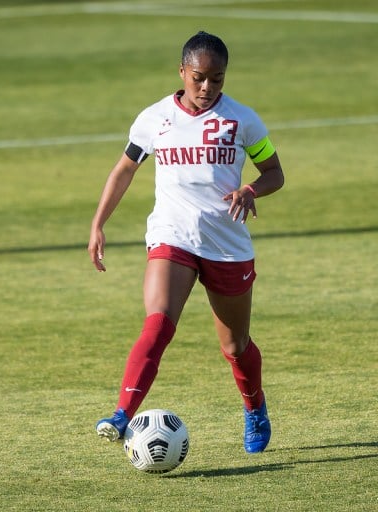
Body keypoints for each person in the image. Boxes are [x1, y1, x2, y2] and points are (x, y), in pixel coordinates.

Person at [88, 31, 284, 454]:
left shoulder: (242, 121)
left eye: (217, 79)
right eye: (199, 77)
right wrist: (98, 223)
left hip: (227, 245)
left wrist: (250, 190)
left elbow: (275, 172)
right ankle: (122, 413)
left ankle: (255, 409)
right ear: (181, 72)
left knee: (235, 346)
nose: (207, 88)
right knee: (158, 321)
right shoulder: (154, 118)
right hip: (171, 236)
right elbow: (124, 170)